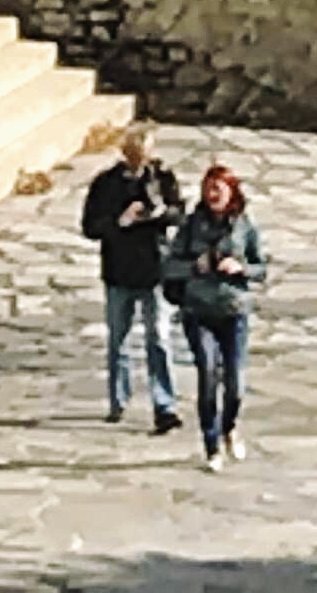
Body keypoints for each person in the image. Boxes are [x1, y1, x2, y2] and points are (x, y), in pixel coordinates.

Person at [78, 125, 183, 431]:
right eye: (135, 155)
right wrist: (119, 221)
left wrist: (160, 214)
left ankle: (165, 405)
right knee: (118, 339)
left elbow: (179, 213)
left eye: (145, 155)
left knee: (159, 338)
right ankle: (118, 400)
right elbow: (90, 227)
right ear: (125, 153)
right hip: (119, 270)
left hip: (155, 268)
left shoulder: (162, 178)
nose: (140, 161)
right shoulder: (106, 184)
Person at [165, 161, 267, 468]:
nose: (212, 194)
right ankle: (211, 444)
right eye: (207, 188)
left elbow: (261, 267)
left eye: (218, 189)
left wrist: (241, 269)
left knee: (235, 381)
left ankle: (229, 426)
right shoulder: (192, 225)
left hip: (233, 311)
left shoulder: (244, 225)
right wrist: (194, 267)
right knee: (207, 374)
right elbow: (169, 265)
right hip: (199, 310)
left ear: (231, 193)